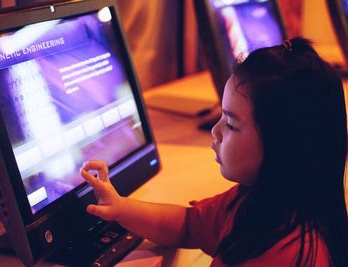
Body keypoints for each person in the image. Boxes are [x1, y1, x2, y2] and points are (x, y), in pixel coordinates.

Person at [80, 37, 348, 267]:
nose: (215, 131)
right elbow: (187, 225)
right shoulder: (257, 201)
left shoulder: (284, 253)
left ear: (283, 145)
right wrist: (120, 207)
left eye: (231, 123)